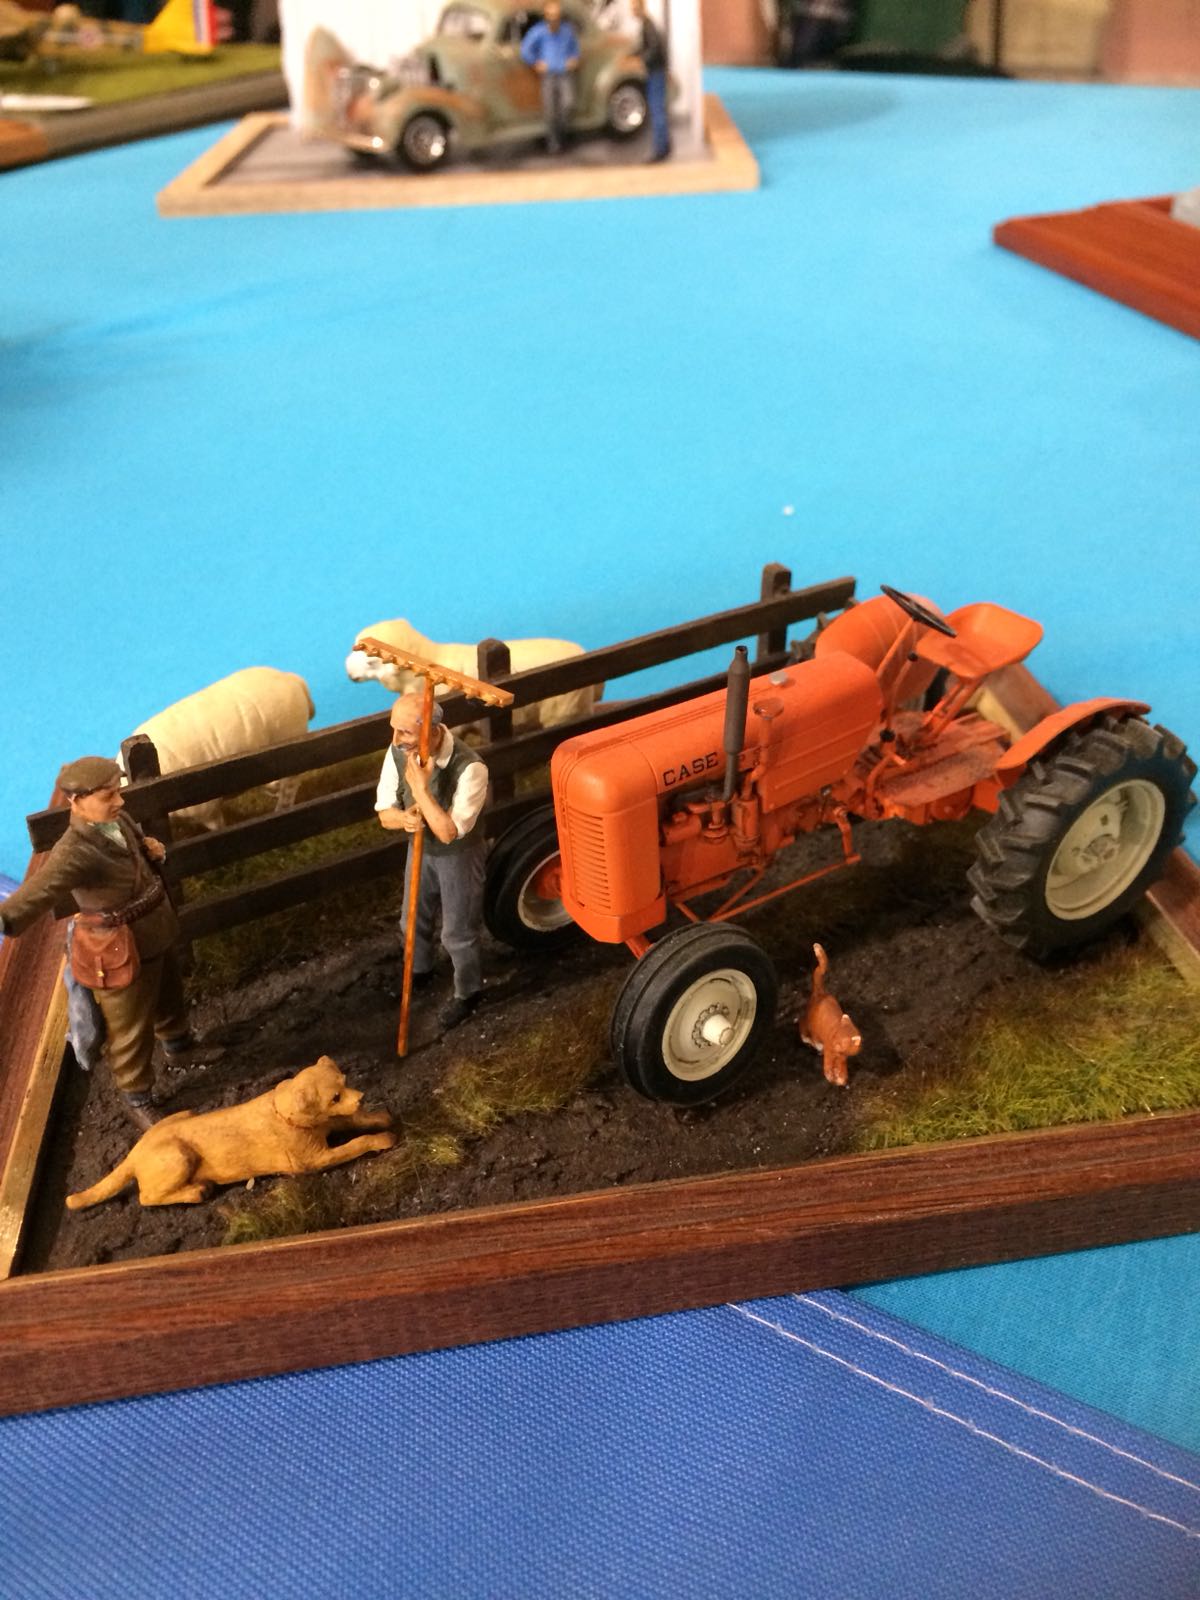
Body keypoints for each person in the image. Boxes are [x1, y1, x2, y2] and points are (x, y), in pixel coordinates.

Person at [0, 757, 212, 1130]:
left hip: (154, 929)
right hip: (117, 948)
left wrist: (149, 848)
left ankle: (180, 1047)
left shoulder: (118, 819)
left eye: (117, 791)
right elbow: (40, 889)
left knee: (169, 995)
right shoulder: (74, 851)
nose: (120, 801)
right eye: (107, 795)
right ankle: (137, 1097)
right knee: (129, 1026)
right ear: (76, 801)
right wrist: (5, 918)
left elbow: (134, 853)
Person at [375, 693, 489, 1031]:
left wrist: (421, 791)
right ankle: (420, 970)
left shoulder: (471, 768)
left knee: (457, 933)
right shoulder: (397, 752)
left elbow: (449, 833)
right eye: (394, 729)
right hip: (420, 849)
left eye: (405, 732)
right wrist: (403, 820)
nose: (396, 739)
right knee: (412, 920)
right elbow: (384, 813)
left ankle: (468, 992)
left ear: (433, 732)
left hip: (459, 856)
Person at [519, 0, 581, 156]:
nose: (554, 19)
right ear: (546, 16)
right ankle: (553, 143)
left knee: (567, 104)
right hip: (548, 75)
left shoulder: (567, 31)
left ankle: (564, 135)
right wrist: (535, 62)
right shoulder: (538, 32)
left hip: (564, 74)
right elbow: (525, 50)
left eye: (556, 16)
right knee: (550, 110)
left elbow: (575, 49)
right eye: (551, 16)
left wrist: (574, 59)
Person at [629, 0, 670, 162]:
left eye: (634, 8)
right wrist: (632, 55)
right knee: (658, 108)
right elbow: (646, 47)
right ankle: (665, 145)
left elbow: (654, 49)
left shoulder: (648, 26)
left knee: (657, 109)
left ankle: (660, 149)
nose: (632, 12)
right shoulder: (646, 25)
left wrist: (640, 60)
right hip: (654, 71)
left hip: (656, 72)